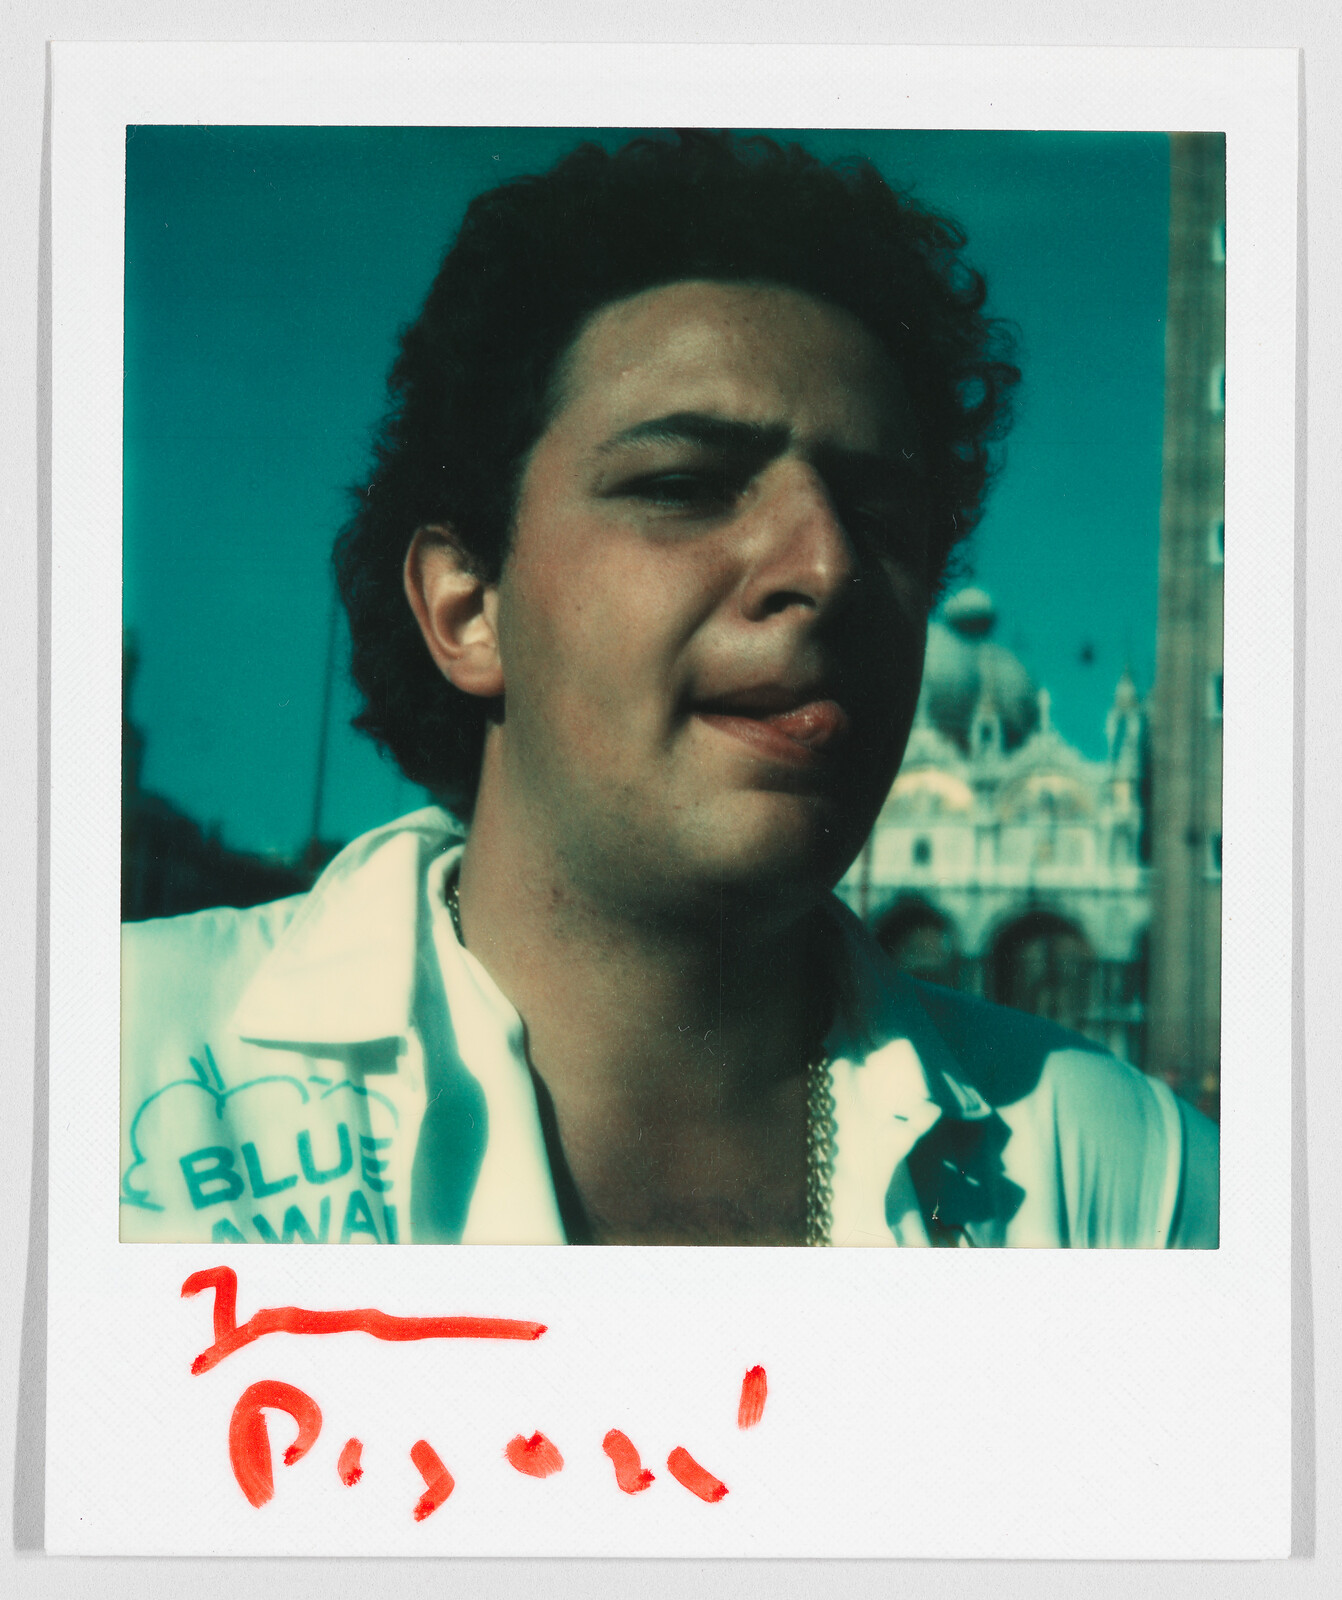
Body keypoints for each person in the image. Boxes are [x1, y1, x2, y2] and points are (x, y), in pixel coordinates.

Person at [120, 131, 1218, 1248]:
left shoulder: (1132, 1179)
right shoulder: (105, 1063)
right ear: (466, 606)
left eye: (881, 518)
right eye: (684, 485)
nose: (826, 565)